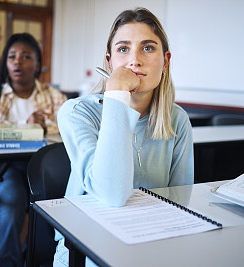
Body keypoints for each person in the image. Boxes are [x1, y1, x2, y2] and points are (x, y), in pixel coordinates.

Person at [54, 7, 194, 266]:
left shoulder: (177, 120)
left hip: (150, 244)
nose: (135, 60)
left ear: (165, 61)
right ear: (110, 62)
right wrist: (117, 91)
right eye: (123, 49)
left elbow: (179, 205)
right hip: (83, 249)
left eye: (148, 48)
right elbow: (112, 194)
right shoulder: (76, 112)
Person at [0, 33, 67, 266]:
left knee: (52, 202)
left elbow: (69, 127)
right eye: (12, 57)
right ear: (5, 63)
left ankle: (32, 259)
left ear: (38, 64)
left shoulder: (53, 95)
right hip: (2, 169)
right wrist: (24, 126)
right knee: (11, 198)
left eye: (26, 56)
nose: (18, 62)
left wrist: (40, 126)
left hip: (42, 170)